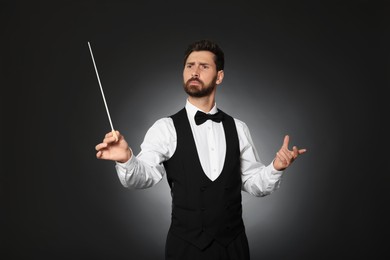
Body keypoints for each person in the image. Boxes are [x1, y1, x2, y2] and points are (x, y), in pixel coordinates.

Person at [95, 39, 306, 260]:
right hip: (185, 249)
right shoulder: (165, 128)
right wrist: (127, 159)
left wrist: (276, 167)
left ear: (219, 76)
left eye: (204, 66)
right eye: (190, 66)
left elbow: (253, 183)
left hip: (234, 248)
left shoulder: (238, 128)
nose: (195, 71)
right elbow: (143, 177)